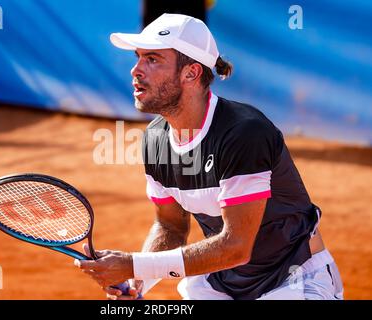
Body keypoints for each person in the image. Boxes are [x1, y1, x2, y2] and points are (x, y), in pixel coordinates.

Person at [75, 13, 344, 300]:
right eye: (139, 57)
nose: (136, 70)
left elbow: (236, 247)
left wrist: (131, 264)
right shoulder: (155, 139)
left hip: (292, 283)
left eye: (152, 59)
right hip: (220, 285)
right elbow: (171, 225)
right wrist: (138, 280)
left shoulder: (245, 133)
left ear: (191, 73)